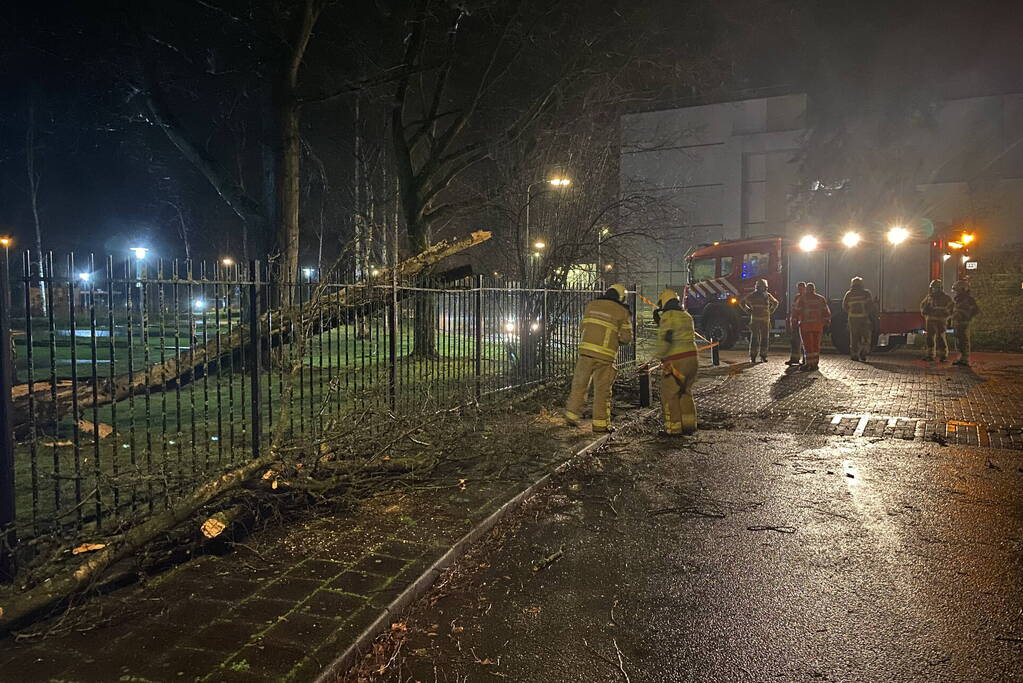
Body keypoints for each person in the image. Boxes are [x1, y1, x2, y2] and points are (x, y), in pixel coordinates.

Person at [565, 284, 633, 432]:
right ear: (621, 297)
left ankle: (571, 415)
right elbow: (627, 338)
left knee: (579, 385)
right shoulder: (622, 312)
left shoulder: (591, 305)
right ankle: (600, 425)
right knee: (602, 391)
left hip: (585, 352)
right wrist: (616, 340)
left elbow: (583, 326)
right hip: (605, 356)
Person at [654, 289, 698, 435]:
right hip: (692, 360)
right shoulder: (687, 316)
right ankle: (689, 425)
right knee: (685, 391)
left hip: (676, 362)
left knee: (670, 394)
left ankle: (673, 429)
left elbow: (665, 339)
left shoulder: (668, 316)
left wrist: (658, 356)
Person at [793, 282, 830, 372]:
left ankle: (809, 364)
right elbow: (826, 312)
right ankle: (815, 364)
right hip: (818, 326)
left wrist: (793, 322)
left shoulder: (802, 299)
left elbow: (796, 311)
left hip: (805, 326)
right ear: (814, 289)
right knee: (816, 345)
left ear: (807, 289)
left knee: (808, 346)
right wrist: (826, 323)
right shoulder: (821, 299)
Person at [742, 279, 779, 363]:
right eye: (760, 287)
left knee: (764, 339)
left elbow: (776, 302)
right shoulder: (752, 295)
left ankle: (763, 355)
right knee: (754, 338)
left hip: (765, 321)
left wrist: (770, 311)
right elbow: (742, 302)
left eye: (763, 287)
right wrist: (748, 310)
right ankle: (753, 356)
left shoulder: (767, 295)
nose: (762, 288)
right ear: (757, 287)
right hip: (755, 321)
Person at [842, 277, 875, 361]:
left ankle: (854, 355)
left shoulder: (848, 294)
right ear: (861, 284)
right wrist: (867, 313)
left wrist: (850, 313)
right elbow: (870, 305)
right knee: (866, 337)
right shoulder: (866, 293)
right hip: (864, 319)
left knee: (854, 338)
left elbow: (844, 306)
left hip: (852, 319)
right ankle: (863, 351)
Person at [920, 279, 953, 362]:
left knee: (940, 338)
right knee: (929, 338)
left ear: (940, 288)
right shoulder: (929, 297)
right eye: (933, 288)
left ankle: (943, 355)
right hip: (930, 320)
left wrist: (946, 315)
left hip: (941, 321)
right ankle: (930, 355)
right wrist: (925, 311)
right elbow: (923, 306)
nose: (934, 290)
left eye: (935, 288)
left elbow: (952, 308)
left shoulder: (946, 298)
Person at [950, 279, 979, 367]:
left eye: (957, 290)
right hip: (958, 322)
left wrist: (966, 317)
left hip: (963, 323)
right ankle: (961, 358)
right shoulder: (959, 299)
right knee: (959, 341)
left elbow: (975, 310)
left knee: (963, 341)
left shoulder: (968, 299)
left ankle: (964, 359)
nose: (956, 292)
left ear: (962, 289)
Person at [786, 282, 806, 366]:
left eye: (801, 288)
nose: (800, 290)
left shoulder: (806, 298)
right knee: (794, 341)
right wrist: (791, 320)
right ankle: (794, 359)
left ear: (804, 288)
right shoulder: (797, 297)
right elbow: (794, 310)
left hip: (803, 323)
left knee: (805, 342)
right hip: (795, 322)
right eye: (799, 288)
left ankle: (805, 360)